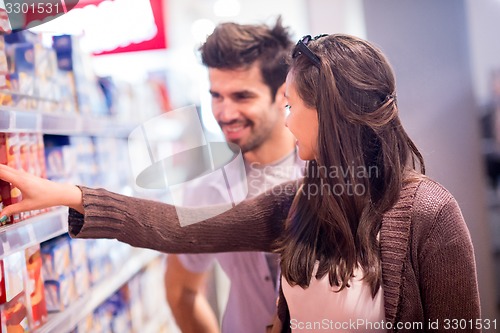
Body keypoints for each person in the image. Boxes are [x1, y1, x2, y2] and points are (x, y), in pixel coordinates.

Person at [0, 33, 481, 333]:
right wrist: (69, 195)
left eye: (292, 106)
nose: (287, 122)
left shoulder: (429, 214)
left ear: (332, 115)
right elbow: (176, 228)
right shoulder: (297, 204)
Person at [164, 18, 303, 333]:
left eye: (242, 97)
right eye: (216, 96)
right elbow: (180, 289)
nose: (224, 113)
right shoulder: (204, 191)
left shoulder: (325, 173)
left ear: (283, 94)